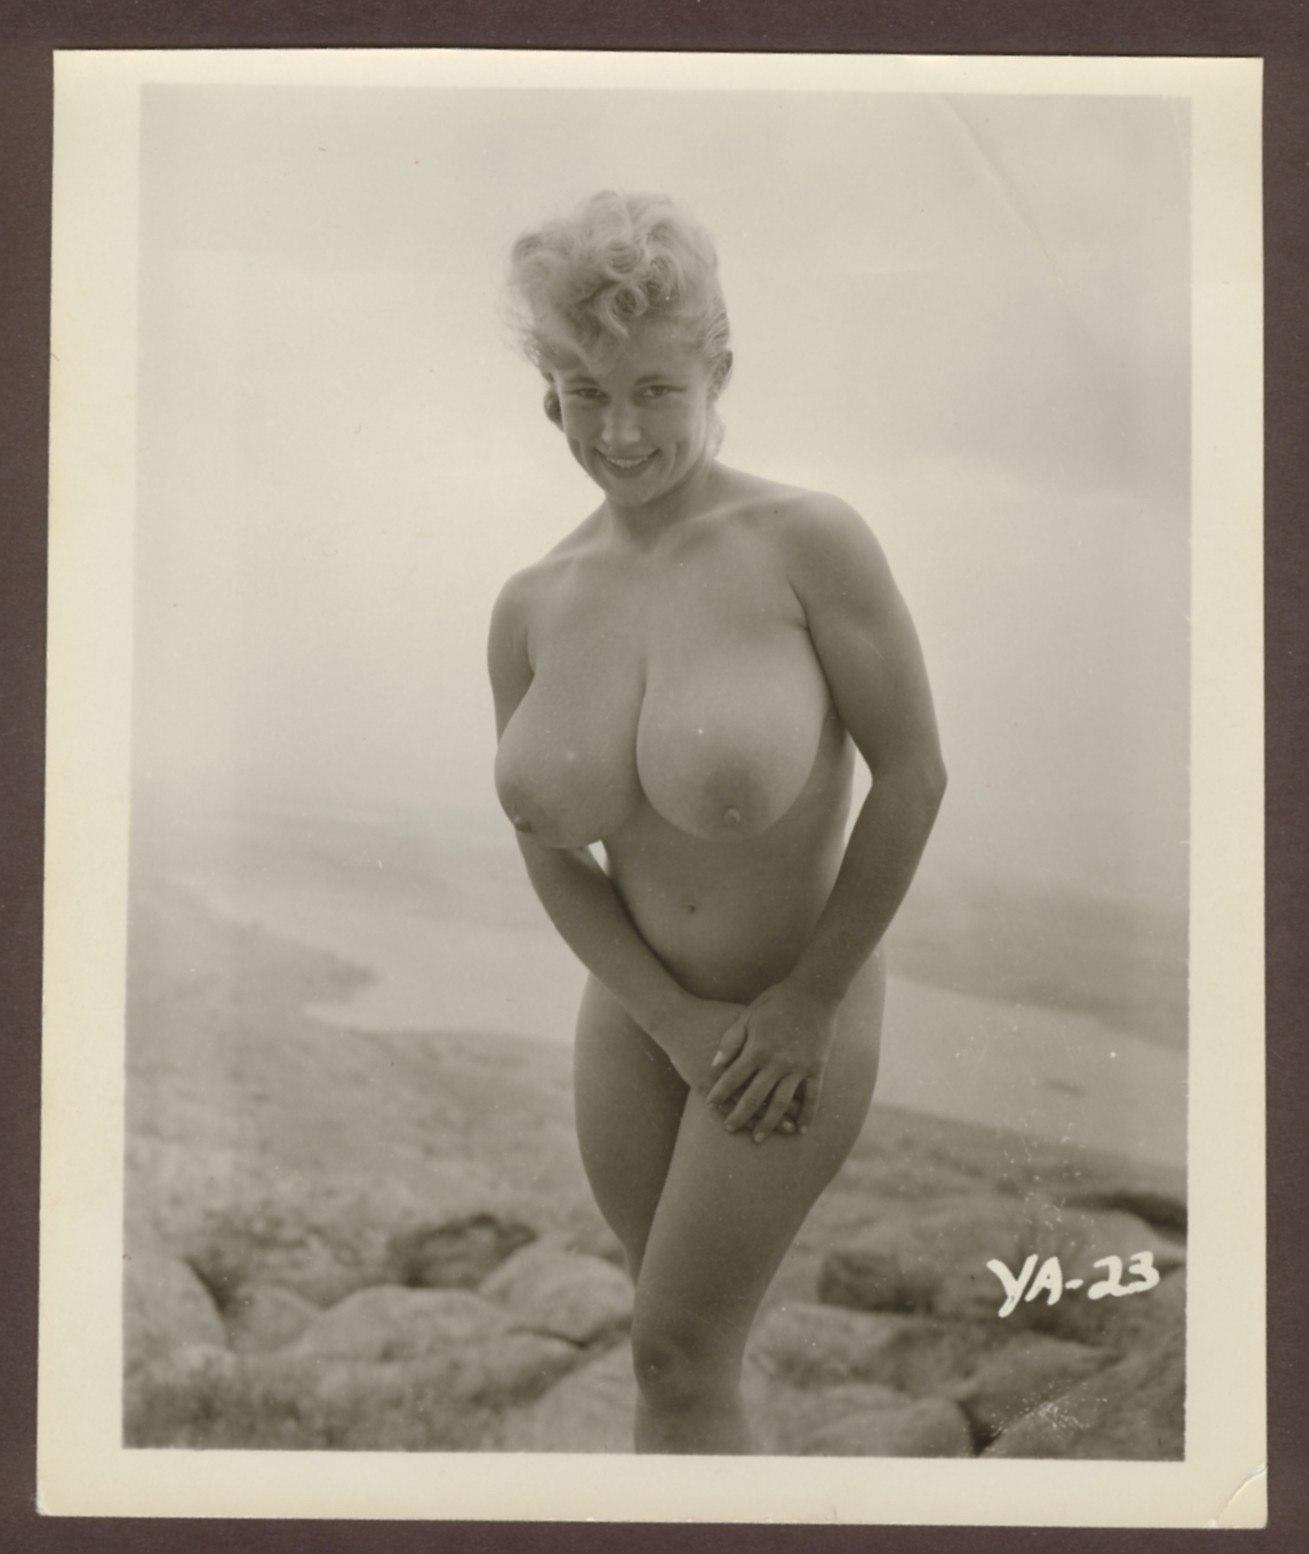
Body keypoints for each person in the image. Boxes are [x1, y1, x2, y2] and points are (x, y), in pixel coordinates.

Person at [488, 191, 946, 1454]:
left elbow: (912, 775)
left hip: (792, 1008)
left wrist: (806, 1001)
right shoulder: (530, 602)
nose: (620, 429)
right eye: (586, 391)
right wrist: (664, 1017)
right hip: (636, 1020)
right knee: (676, 1357)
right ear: (549, 397)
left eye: (654, 388)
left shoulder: (808, 542)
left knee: (676, 1352)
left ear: (716, 372)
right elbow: (546, 847)